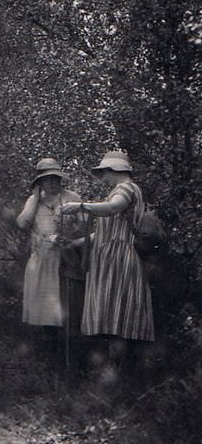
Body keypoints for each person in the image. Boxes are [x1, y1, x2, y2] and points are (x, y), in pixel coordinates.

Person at [61, 150, 153, 371]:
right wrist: (77, 242)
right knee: (115, 312)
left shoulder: (126, 189)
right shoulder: (123, 191)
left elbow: (114, 208)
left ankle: (119, 368)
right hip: (112, 258)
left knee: (116, 312)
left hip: (118, 260)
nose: (103, 178)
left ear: (114, 170)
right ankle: (118, 366)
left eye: (105, 173)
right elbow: (111, 227)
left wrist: (82, 206)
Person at [16, 158, 83, 336]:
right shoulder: (34, 200)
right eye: (47, 179)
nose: (52, 182)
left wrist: (68, 237)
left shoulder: (72, 197)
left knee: (67, 305)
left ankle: (70, 345)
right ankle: (50, 348)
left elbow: (83, 226)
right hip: (43, 260)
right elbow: (22, 224)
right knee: (46, 308)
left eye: (55, 178)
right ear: (39, 182)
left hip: (67, 258)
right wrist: (36, 198)